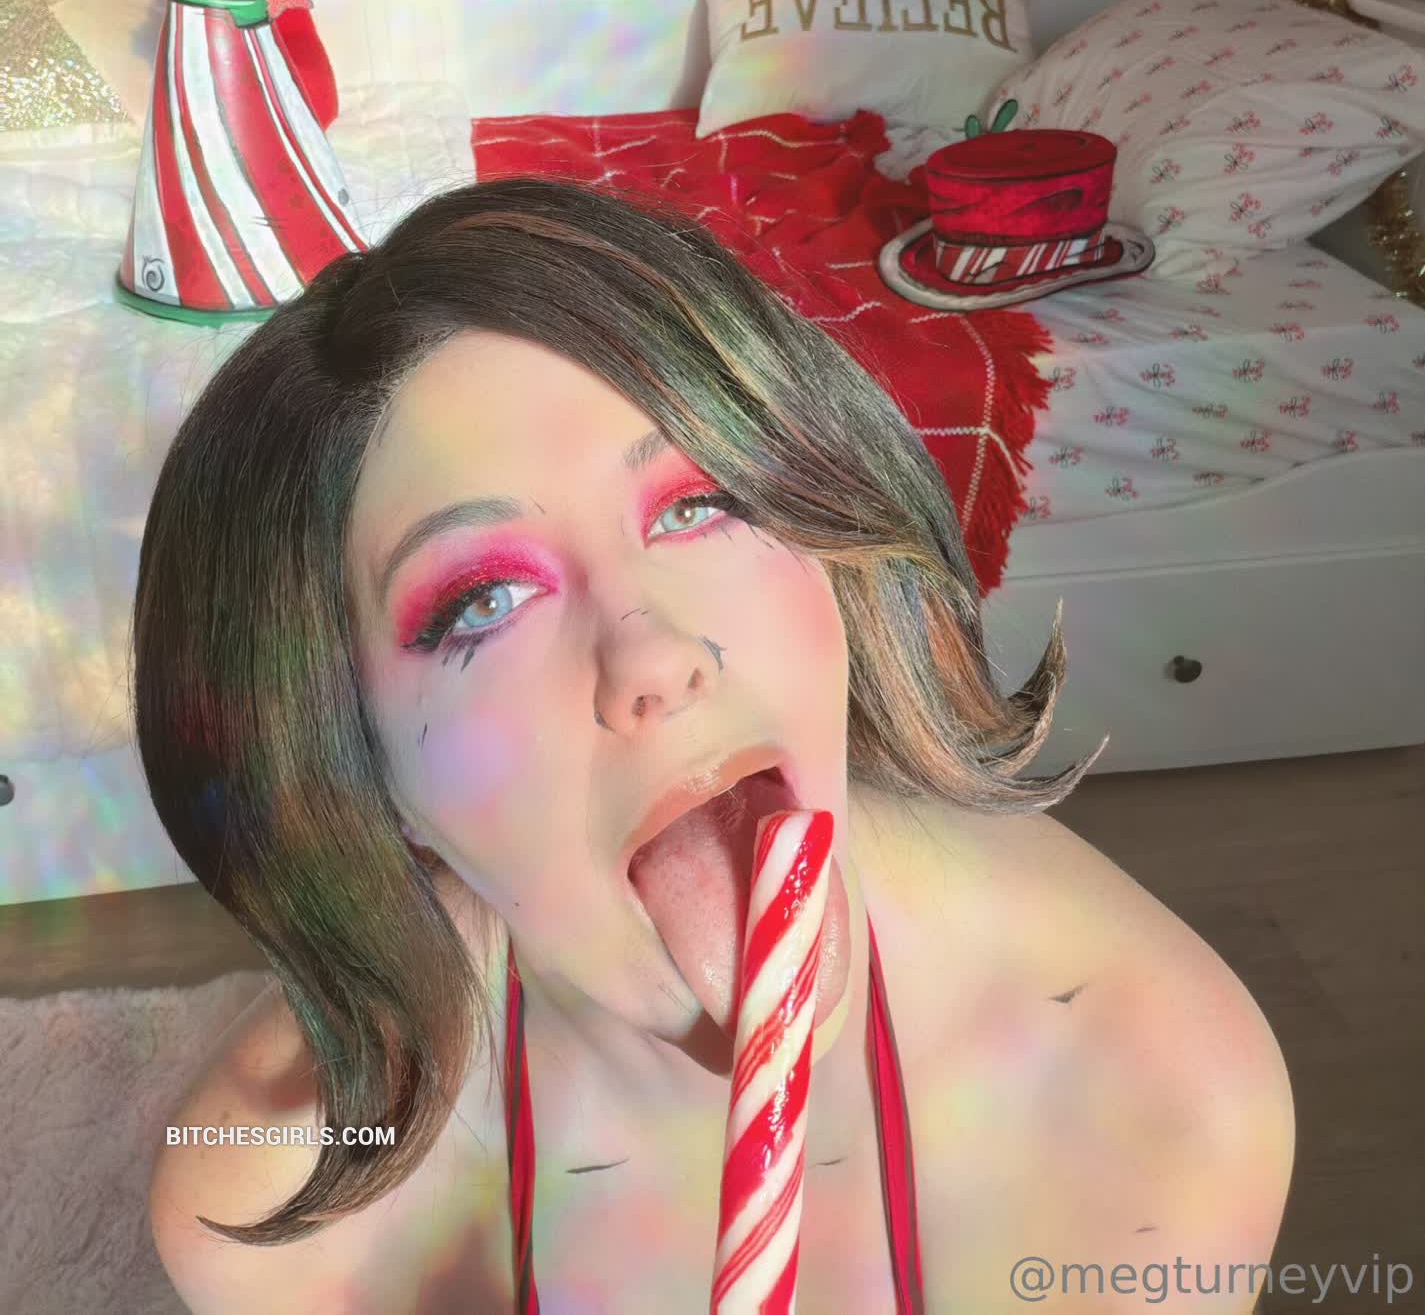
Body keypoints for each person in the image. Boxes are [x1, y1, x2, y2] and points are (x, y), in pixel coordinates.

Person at [141, 177, 1294, 1313]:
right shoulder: (278, 1218)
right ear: (354, 760)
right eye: (481, 601)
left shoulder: (1155, 1108)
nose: (653, 651)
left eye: (699, 502)